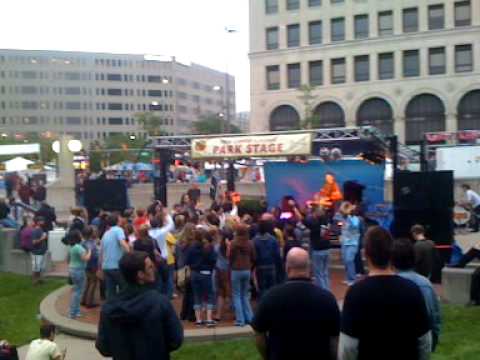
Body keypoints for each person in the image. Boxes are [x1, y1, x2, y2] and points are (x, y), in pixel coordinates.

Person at [339, 226, 432, 360]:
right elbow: (424, 341)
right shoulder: (412, 289)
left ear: (366, 254)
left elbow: (348, 346)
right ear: (391, 253)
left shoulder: (355, 293)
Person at [252, 248, 340, 360]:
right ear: (310, 268)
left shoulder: (270, 297)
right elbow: (334, 339)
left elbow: (259, 333)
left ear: (287, 268)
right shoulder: (327, 299)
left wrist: (267, 355)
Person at [96, 251, 184, 360]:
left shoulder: (108, 308)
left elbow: (103, 347)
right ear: (140, 275)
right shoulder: (160, 303)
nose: (154, 269)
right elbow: (176, 339)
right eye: (150, 267)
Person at [392, 238, 442, 351]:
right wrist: (433, 341)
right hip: (419, 343)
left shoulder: (386, 283)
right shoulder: (424, 284)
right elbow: (434, 315)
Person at [185, 228, 217, 327]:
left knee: (197, 296)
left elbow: (187, 261)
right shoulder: (208, 247)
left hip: (195, 273)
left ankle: (198, 320)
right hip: (206, 273)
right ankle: (208, 319)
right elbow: (213, 260)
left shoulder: (191, 247)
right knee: (209, 296)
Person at [229, 223, 256, 327]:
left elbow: (230, 256)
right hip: (247, 269)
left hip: (236, 270)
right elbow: (254, 256)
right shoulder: (250, 243)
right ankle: (250, 318)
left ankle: (240, 320)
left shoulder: (233, 243)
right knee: (245, 295)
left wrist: (231, 264)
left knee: (236, 295)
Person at [100, 214, 130, 300]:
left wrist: (100, 267)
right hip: (117, 266)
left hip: (106, 267)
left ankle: (112, 310)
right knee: (124, 289)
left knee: (110, 292)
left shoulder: (106, 233)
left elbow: (101, 252)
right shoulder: (118, 230)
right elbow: (122, 243)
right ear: (117, 221)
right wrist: (130, 253)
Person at [253, 218, 282, 298]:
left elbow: (254, 255)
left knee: (262, 289)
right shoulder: (273, 240)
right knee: (272, 289)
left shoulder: (255, 240)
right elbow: (277, 255)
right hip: (271, 266)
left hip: (260, 267)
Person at [304, 207, 330, 290]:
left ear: (315, 214)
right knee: (325, 272)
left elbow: (303, 221)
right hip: (327, 249)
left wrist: (294, 208)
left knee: (318, 273)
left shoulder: (314, 224)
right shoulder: (327, 222)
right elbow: (334, 236)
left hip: (318, 250)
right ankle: (327, 289)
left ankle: (323, 292)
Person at [68, 230, 91, 319]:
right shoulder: (78, 247)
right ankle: (72, 313)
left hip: (73, 269)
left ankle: (76, 311)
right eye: (80, 235)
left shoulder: (72, 246)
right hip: (79, 270)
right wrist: (89, 251)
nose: (81, 236)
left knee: (77, 290)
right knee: (78, 292)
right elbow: (85, 258)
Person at [338, 202, 361, 286]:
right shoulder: (342, 219)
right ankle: (348, 278)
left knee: (349, 260)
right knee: (345, 261)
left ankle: (353, 279)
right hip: (344, 243)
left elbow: (354, 225)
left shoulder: (355, 218)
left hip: (353, 243)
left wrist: (348, 215)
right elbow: (340, 227)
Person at [81, 226, 100, 308]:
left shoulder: (83, 243)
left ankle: (83, 299)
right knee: (93, 283)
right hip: (93, 266)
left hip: (86, 266)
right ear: (91, 234)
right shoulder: (91, 243)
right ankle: (89, 302)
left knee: (88, 282)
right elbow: (94, 255)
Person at [31, 217, 48, 285]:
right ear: (37, 222)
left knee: (41, 267)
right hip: (36, 253)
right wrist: (42, 238)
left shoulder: (41, 229)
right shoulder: (36, 230)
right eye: (41, 220)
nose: (43, 221)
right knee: (36, 268)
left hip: (42, 252)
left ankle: (40, 280)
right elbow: (34, 242)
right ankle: (34, 282)